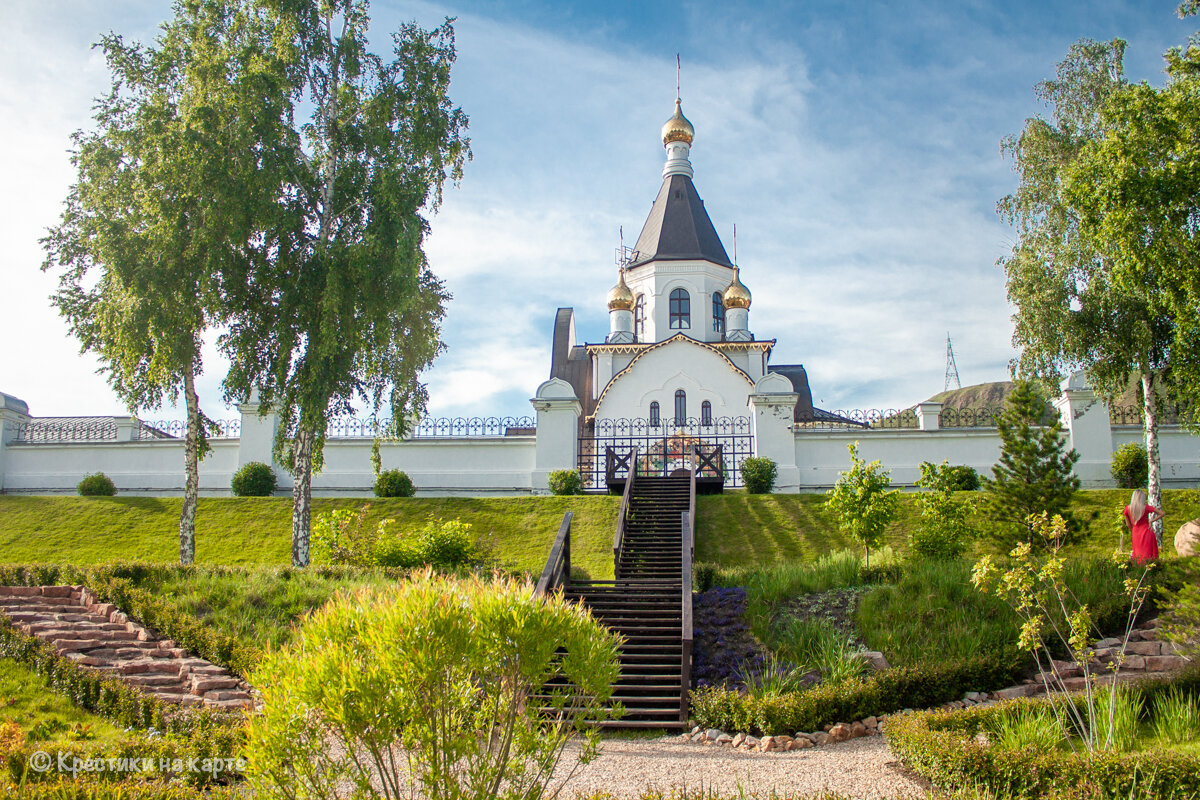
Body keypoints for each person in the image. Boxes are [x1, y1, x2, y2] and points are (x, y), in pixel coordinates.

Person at [1122, 489, 1163, 564]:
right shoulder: (1146, 507)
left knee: (1138, 554)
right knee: (1148, 554)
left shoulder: (1128, 508)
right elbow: (1162, 513)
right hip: (1147, 531)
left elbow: (1128, 524)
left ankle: (1139, 570)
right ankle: (1151, 569)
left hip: (1135, 532)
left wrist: (1133, 530)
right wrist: (1151, 521)